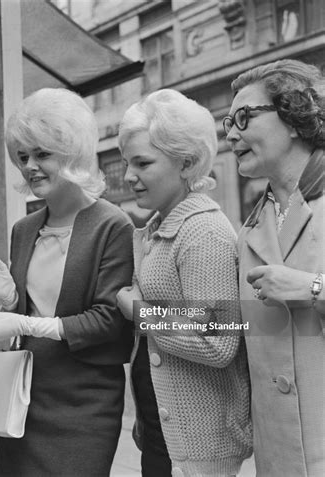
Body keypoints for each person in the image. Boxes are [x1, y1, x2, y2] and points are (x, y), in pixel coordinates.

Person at [0, 88, 134, 476]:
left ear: (72, 151)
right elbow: (25, 317)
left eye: (42, 154)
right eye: (22, 156)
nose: (29, 166)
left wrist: (23, 321)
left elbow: (110, 320)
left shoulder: (113, 225)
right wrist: (9, 300)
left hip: (84, 407)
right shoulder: (24, 229)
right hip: (24, 398)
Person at [116, 89, 252, 477]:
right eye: (128, 163)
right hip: (163, 431)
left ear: (187, 163)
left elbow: (217, 337)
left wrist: (140, 313)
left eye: (142, 162)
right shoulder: (159, 226)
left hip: (201, 444)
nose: (129, 176)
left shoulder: (204, 231)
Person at [223, 59, 325, 476]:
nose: (231, 133)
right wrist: (148, 314)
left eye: (244, 117)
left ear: (297, 118)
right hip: (278, 457)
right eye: (228, 121)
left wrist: (315, 288)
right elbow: (238, 324)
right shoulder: (251, 226)